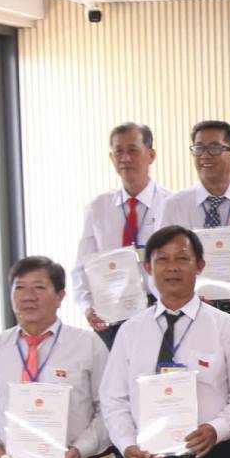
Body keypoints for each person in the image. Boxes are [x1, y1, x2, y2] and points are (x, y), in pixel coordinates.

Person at [97, 225, 230, 458]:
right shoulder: (131, 331)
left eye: (182, 259)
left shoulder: (226, 326)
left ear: (200, 266)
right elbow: (113, 399)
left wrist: (217, 429)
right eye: (162, 260)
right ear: (147, 268)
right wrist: (127, 444)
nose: (172, 268)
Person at [0, 256, 110, 458]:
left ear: (60, 295)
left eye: (39, 287)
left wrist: (80, 449)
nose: (28, 296)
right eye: (20, 287)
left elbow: (107, 409)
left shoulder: (87, 345)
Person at [156, 120, 230, 345]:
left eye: (214, 148)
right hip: (190, 311)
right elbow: (159, 259)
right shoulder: (174, 205)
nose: (205, 155)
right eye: (198, 148)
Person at [71, 123, 170, 347]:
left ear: (151, 155)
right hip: (111, 314)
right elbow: (82, 266)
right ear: (111, 157)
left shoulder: (170, 204)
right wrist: (88, 307)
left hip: (158, 310)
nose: (125, 158)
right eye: (118, 151)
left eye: (133, 150)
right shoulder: (98, 207)